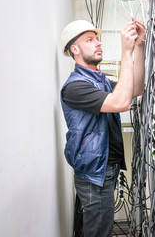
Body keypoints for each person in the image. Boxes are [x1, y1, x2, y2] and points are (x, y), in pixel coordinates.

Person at [60, 18, 146, 237]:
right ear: (75, 49)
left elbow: (135, 89)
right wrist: (125, 52)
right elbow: (121, 103)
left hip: (105, 169)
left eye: (97, 39)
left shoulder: (100, 81)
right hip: (94, 172)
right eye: (90, 40)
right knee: (98, 232)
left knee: (100, 229)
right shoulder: (75, 87)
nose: (98, 43)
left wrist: (139, 46)